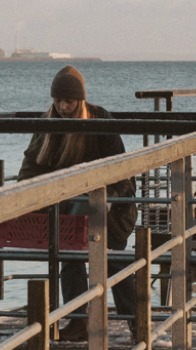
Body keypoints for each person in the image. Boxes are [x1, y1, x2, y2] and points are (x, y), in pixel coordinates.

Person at [17, 65, 142, 320]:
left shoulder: (100, 120)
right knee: (70, 257)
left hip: (110, 209)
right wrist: (22, 199)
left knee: (113, 259)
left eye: (69, 101)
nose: (63, 107)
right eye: (58, 101)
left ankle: (135, 321)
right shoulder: (48, 125)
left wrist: (107, 200)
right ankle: (77, 321)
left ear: (81, 100)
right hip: (70, 212)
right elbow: (31, 168)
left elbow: (122, 173)